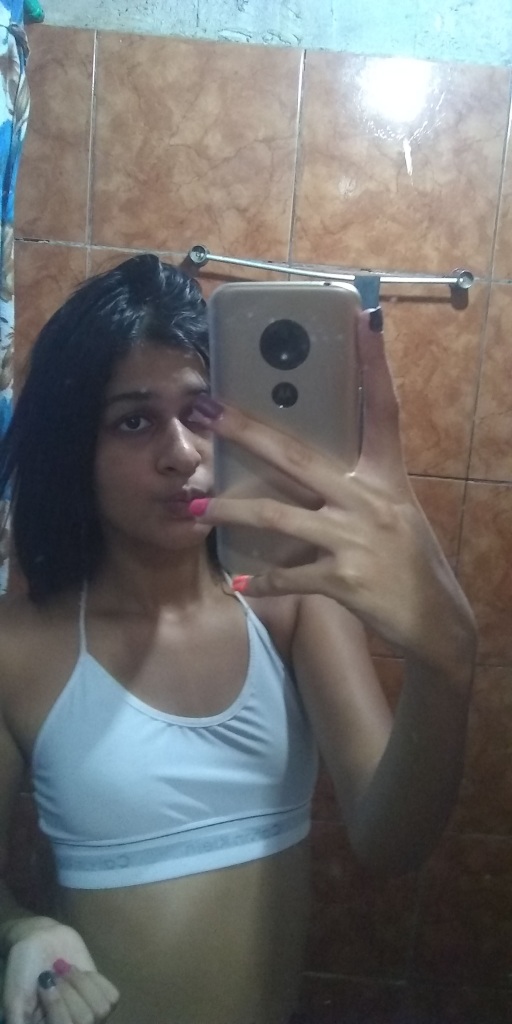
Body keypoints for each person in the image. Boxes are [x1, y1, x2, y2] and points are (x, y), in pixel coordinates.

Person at [0, 254, 476, 1024]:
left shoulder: (289, 604)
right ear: (76, 448)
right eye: (133, 420)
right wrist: (20, 929)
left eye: (200, 413)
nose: (182, 454)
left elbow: (390, 840)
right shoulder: (20, 647)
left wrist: (445, 656)